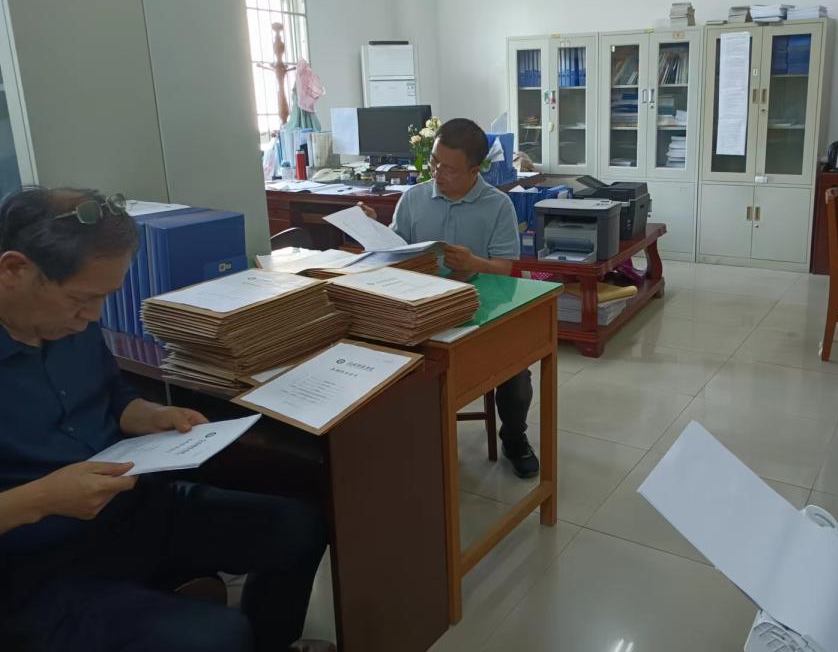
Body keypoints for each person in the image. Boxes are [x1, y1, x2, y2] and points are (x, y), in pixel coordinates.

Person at [0, 187, 331, 652]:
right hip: (31, 562)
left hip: (127, 511)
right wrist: (41, 499)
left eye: (105, 298)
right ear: (14, 270)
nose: (92, 316)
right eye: (80, 299)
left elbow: (111, 393)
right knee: (217, 637)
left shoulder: (69, 325)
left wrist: (150, 414)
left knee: (297, 526)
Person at [362, 118, 538, 478]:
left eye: (449, 169)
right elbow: (395, 252)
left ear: (475, 170)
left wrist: (473, 263)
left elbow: (505, 268)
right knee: (387, 358)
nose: (438, 173)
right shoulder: (414, 198)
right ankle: (414, 437)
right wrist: (372, 230)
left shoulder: (498, 205)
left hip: (480, 309)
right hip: (421, 309)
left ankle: (514, 437)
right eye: (434, 162)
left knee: (516, 370)